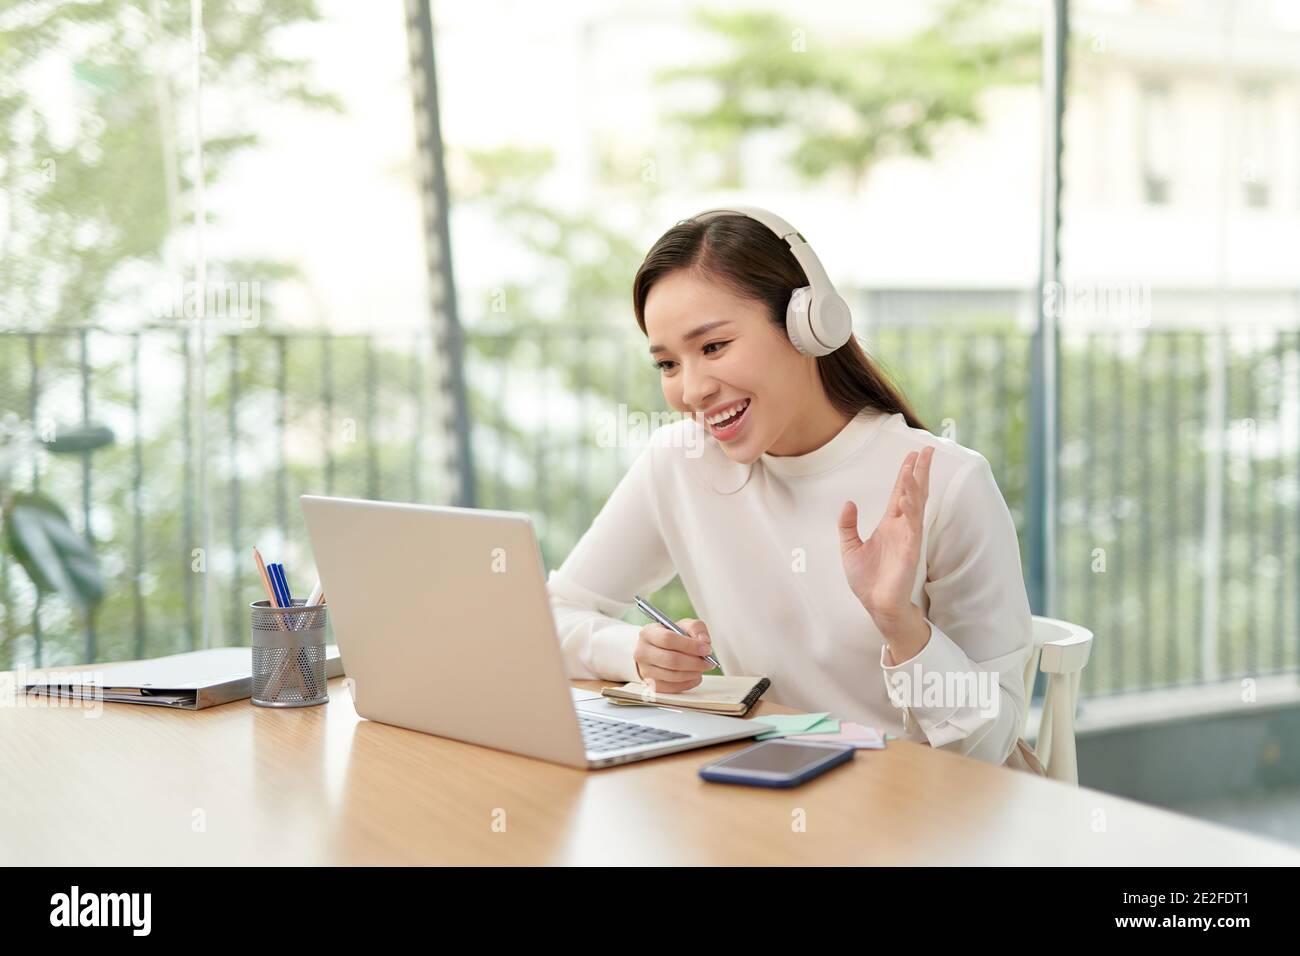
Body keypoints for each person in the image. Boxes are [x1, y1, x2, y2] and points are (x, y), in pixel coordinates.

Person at [546, 207, 1036, 769]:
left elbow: (992, 745)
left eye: (713, 347)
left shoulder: (946, 483)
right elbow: (553, 615)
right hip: (775, 784)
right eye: (667, 363)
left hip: (922, 807)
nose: (691, 390)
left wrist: (903, 625)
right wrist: (636, 652)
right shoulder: (679, 462)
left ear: (808, 324)